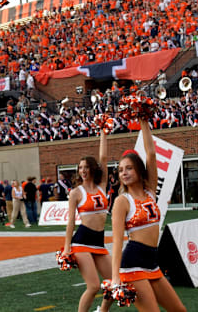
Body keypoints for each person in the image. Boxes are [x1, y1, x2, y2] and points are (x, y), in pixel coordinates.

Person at [111, 119, 186, 312]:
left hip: (153, 262)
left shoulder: (150, 191)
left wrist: (144, 121)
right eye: (120, 170)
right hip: (132, 263)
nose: (124, 173)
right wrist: (115, 277)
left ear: (138, 169)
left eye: (128, 168)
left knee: (179, 310)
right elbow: (118, 241)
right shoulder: (122, 201)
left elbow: (151, 154)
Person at [62, 130, 112, 312]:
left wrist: (103, 133)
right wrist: (67, 248)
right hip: (81, 241)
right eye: (80, 168)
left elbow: (104, 158)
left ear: (92, 168)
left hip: (99, 241)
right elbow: (70, 223)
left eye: (86, 167)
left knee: (114, 284)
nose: (82, 171)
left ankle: (102, 311)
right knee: (94, 286)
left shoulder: (102, 186)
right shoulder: (76, 193)